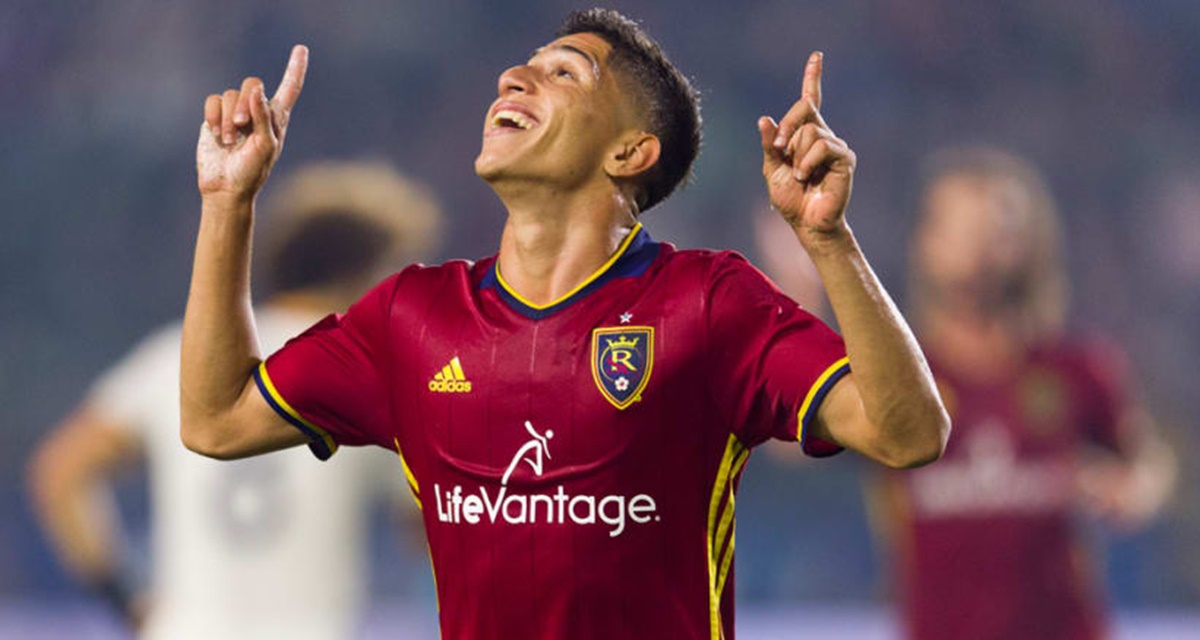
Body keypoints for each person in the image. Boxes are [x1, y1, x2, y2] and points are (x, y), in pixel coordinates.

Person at [182, 8, 949, 639]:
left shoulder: (708, 303)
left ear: (629, 151)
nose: (513, 78)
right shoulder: (410, 318)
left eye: (564, 72)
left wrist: (828, 240)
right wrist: (227, 205)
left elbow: (908, 434)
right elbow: (216, 421)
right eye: (524, 66)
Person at [28, 160, 441, 640]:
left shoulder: (177, 357)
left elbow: (61, 470)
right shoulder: (372, 378)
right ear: (364, 274)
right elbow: (435, 523)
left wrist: (126, 600)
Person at [870, 148, 1176, 640]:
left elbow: (1144, 461)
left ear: (1033, 242)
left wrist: (1132, 488)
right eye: (963, 230)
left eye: (997, 230)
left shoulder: (1079, 369)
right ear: (926, 241)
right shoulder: (896, 378)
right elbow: (795, 441)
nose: (981, 249)